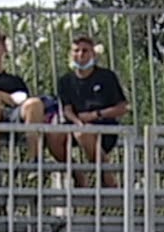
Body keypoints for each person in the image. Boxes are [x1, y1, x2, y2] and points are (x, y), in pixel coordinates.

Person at [0, 28, 64, 164]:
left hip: (12, 117)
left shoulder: (15, 81)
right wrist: (4, 97)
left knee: (34, 103)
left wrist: (5, 99)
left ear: (4, 49)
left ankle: (35, 159)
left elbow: (23, 101)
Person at [55, 35, 131, 188]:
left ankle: (107, 178)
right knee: (53, 135)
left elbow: (123, 107)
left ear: (93, 54)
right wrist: (78, 122)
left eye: (85, 51)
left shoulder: (107, 77)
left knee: (83, 133)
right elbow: (67, 109)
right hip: (77, 127)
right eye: (76, 51)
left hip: (105, 129)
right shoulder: (65, 81)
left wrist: (95, 115)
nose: (80, 55)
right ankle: (78, 174)